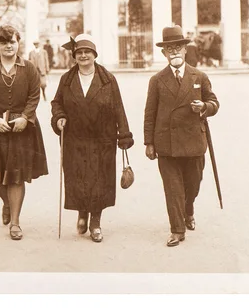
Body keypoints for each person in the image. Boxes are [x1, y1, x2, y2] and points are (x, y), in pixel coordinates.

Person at [51, 34, 134, 243]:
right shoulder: (67, 79)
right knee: (78, 178)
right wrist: (59, 117)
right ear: (74, 56)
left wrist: (123, 135)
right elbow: (57, 103)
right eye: (79, 52)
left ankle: (95, 222)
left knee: (99, 181)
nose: (83, 55)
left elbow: (118, 108)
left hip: (102, 139)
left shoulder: (108, 79)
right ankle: (82, 212)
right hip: (75, 138)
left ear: (94, 54)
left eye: (87, 52)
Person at [143, 25, 220, 247]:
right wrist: (149, 142)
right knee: (173, 188)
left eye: (178, 47)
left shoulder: (200, 76)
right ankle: (177, 229)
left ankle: (188, 210)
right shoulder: (157, 80)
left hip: (194, 142)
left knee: (193, 185)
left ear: (186, 50)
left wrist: (204, 106)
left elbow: (215, 103)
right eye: (169, 49)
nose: (174, 52)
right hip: (167, 143)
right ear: (164, 53)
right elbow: (150, 113)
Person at [0, 25, 49, 241]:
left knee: (16, 176)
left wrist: (25, 118)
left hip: (21, 129)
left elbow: (34, 96)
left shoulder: (29, 68)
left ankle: (15, 222)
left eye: (12, 41)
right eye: (3, 42)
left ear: (18, 44)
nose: (8, 46)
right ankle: (7, 202)